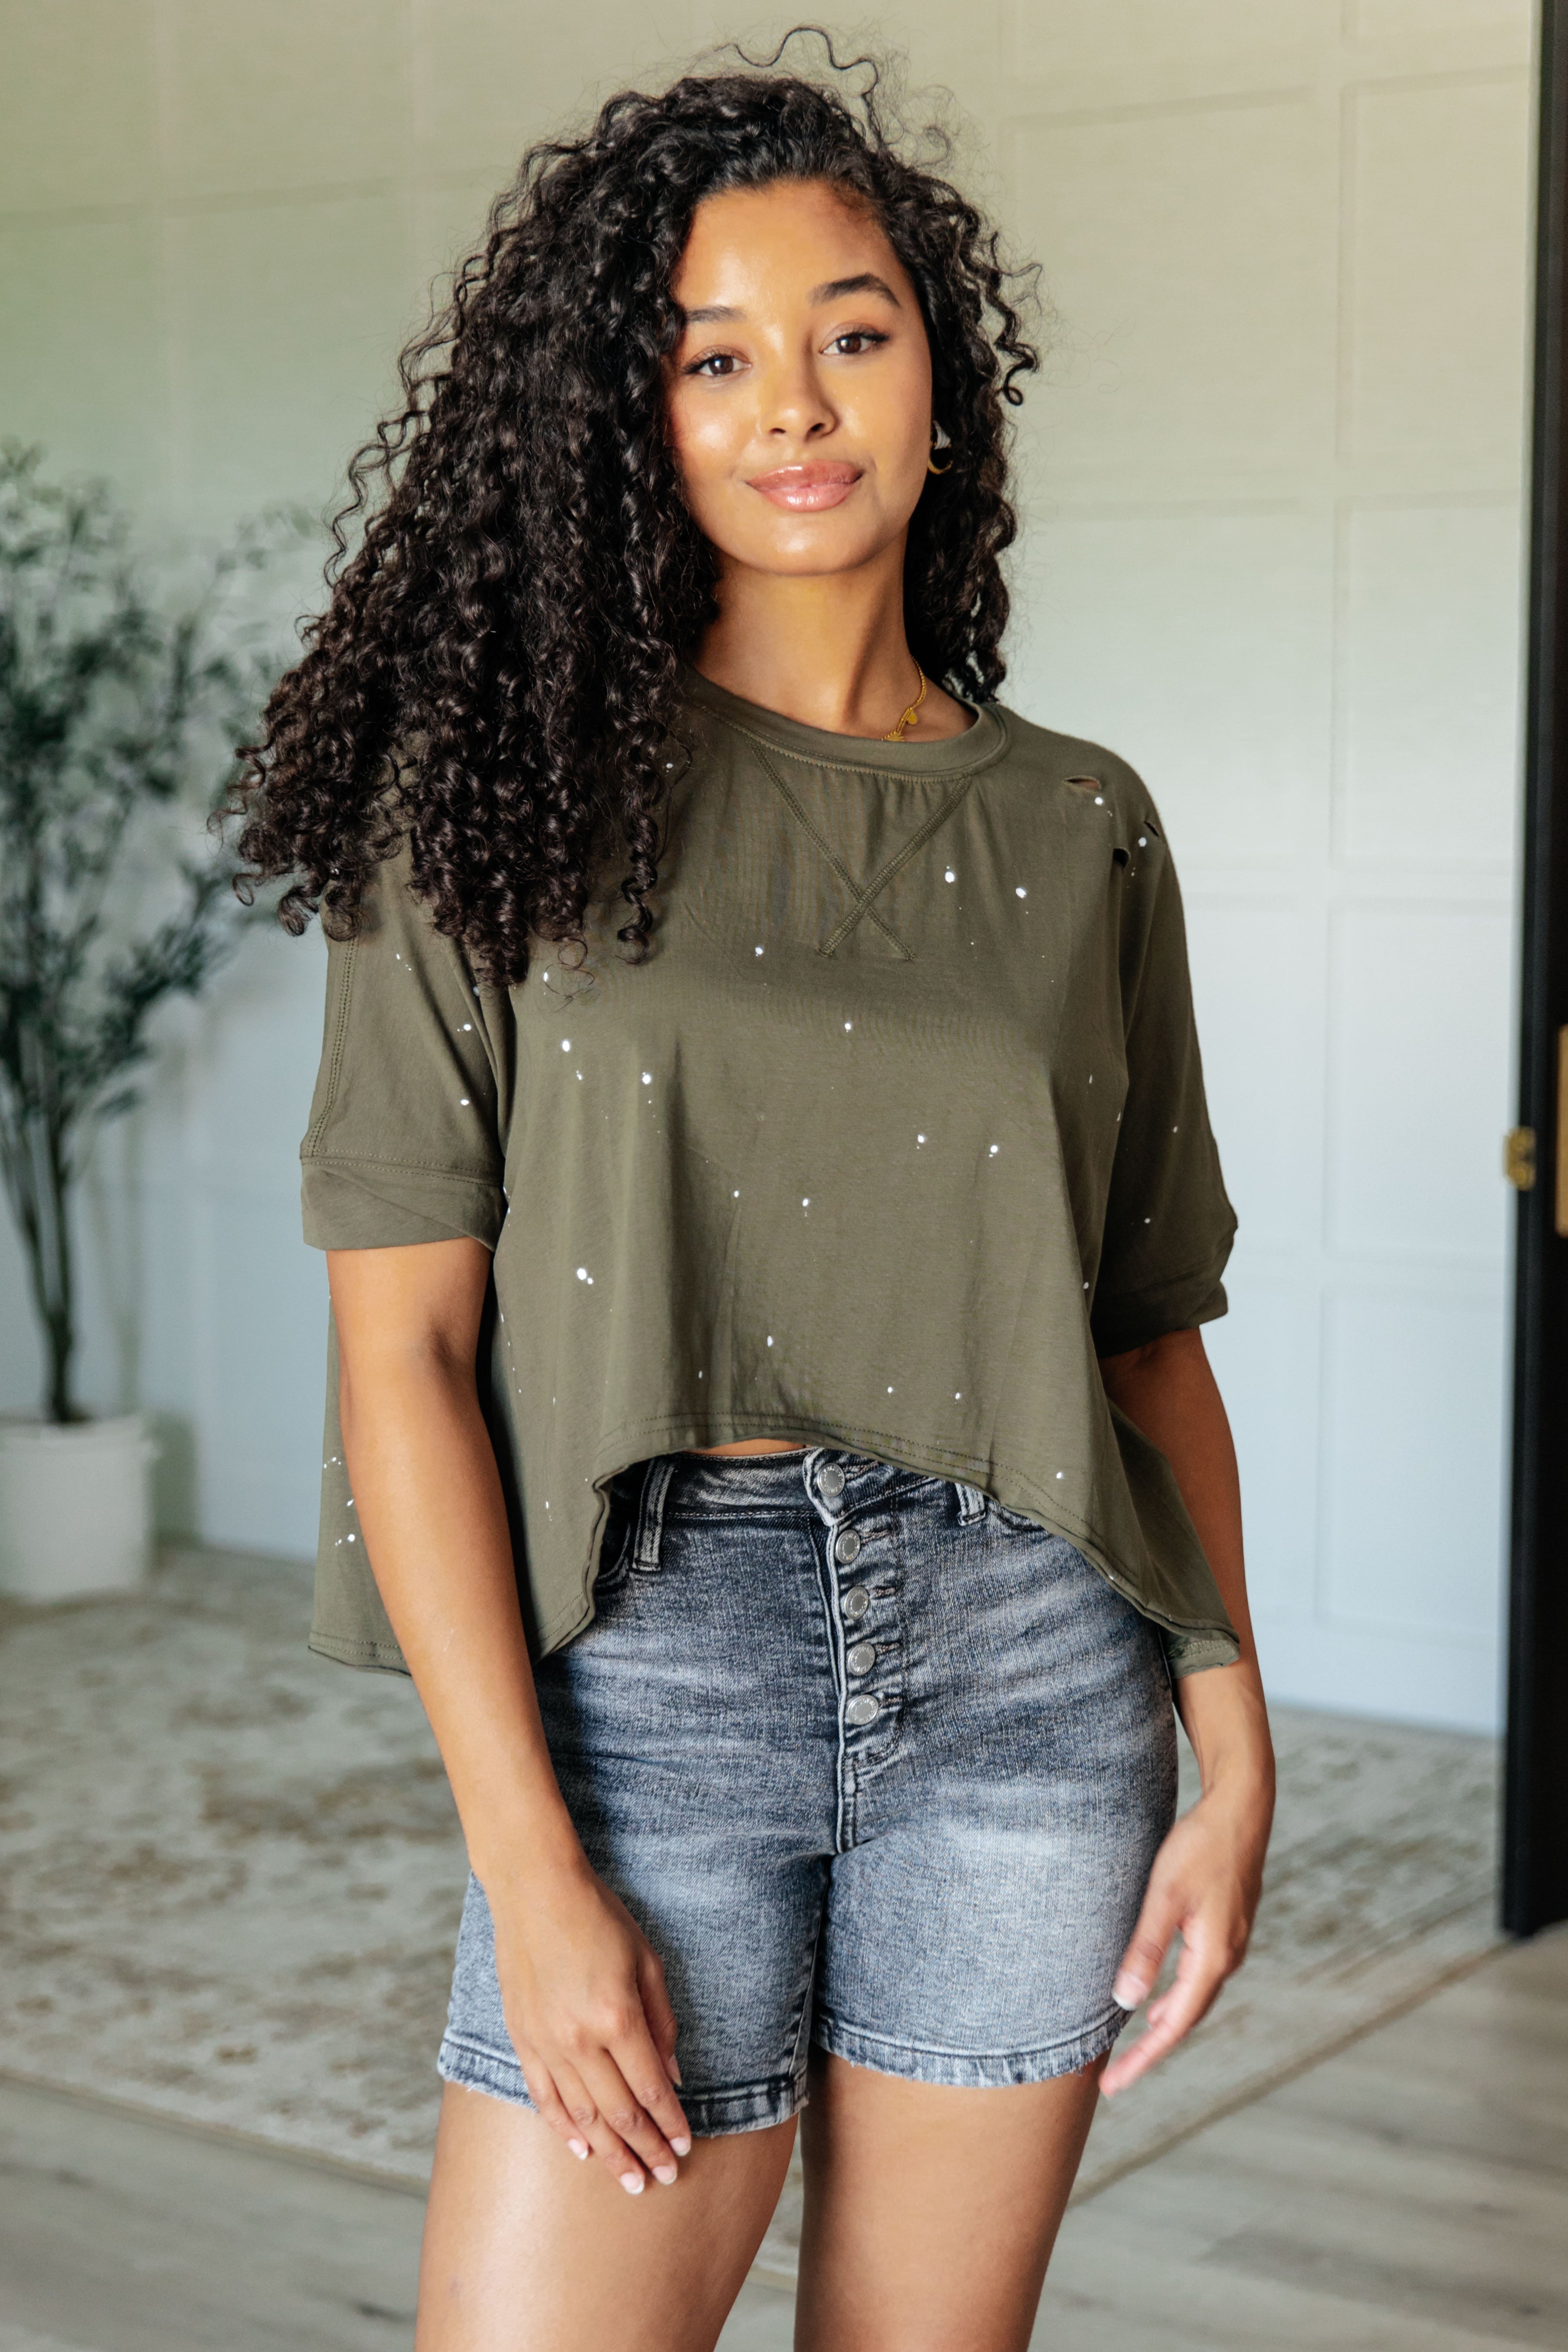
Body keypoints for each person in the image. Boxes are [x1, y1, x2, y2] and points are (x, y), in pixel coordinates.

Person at [238, 40, 1275, 2352]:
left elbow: (1139, 1337)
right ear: (635, 413)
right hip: (646, 1668)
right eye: (713, 354)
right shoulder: (489, 797)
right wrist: (527, 1858)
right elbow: (401, 1354)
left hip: (1031, 1665)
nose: (791, 403)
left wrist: (1232, 1747)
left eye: (849, 329)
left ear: (939, 377)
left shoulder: (1077, 826)